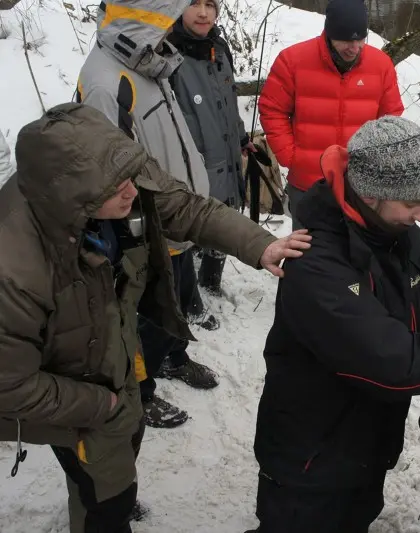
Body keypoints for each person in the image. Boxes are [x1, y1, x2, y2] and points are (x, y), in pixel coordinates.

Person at [0, 103, 310, 533]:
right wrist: (102, 405)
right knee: (107, 498)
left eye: (132, 178)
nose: (133, 191)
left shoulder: (112, 175)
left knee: (115, 452)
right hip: (74, 388)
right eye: (119, 189)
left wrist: (260, 245)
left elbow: (187, 208)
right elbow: (10, 387)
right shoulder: (14, 269)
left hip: (111, 351)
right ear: (75, 199)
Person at [247, 116, 420, 533]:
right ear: (370, 195)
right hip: (310, 455)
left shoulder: (403, 237)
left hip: (370, 442)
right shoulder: (316, 263)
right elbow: (392, 361)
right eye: (412, 204)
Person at [76, 0, 223, 427]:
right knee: (145, 316)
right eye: (169, 14)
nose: (175, 24)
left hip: (175, 221)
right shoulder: (108, 83)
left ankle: (173, 358)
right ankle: (140, 392)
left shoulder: (147, 63)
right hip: (148, 229)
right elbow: (111, 177)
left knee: (173, 303)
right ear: (145, 16)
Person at [258, 0, 404, 228]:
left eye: (360, 39)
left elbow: (391, 119)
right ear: (329, 32)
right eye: (346, 39)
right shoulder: (293, 61)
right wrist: (291, 156)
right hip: (308, 185)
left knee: (357, 255)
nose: (354, 47)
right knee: (307, 255)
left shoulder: (381, 66)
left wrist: (377, 163)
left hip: (360, 187)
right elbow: (272, 109)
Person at [168, 0, 256, 296]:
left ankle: (211, 281)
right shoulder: (166, 54)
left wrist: (242, 138)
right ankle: (188, 294)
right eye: (193, 3)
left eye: (210, 4)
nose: (203, 12)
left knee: (226, 214)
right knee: (189, 221)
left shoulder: (220, 49)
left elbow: (229, 103)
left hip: (226, 156)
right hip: (190, 162)